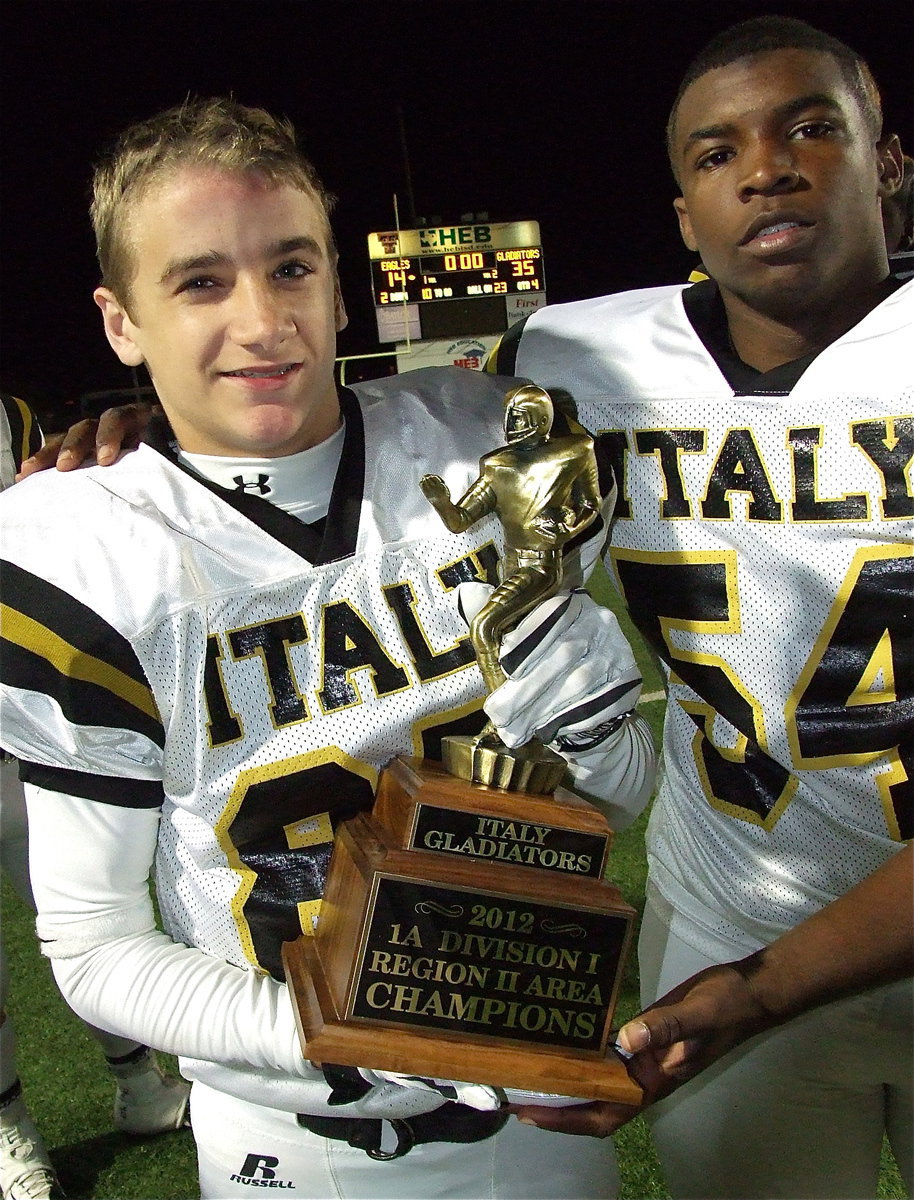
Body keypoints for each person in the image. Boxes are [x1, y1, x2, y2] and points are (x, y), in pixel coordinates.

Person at [0, 99, 655, 1199]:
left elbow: (610, 804)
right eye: (200, 282)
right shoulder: (77, 551)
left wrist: (587, 717)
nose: (263, 322)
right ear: (122, 322)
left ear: (337, 284)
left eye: (291, 268)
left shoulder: (481, 444)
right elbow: (95, 946)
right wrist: (364, 1038)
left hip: (538, 1101)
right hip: (294, 1143)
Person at [485, 15, 912, 1200]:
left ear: (887, 160)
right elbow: (343, 441)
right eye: (713, 154)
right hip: (724, 913)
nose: (763, 167)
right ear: (683, 214)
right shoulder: (579, 361)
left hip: (763, 973)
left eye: (808, 127)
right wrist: (151, 437)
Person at [1, 393, 190, 1200]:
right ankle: (9, 1126)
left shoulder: (12, 416)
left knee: (82, 915)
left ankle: (139, 1078)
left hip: (21, 718)